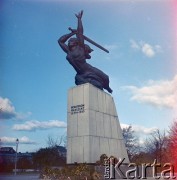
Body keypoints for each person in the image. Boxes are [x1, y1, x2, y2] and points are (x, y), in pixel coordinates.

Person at [58, 11, 112, 93]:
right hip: (80, 74)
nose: (69, 42)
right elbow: (60, 41)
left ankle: (107, 87)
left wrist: (79, 19)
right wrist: (71, 33)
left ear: (76, 43)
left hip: (89, 69)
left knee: (105, 77)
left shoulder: (81, 48)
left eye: (71, 41)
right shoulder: (68, 51)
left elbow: (80, 32)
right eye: (68, 41)